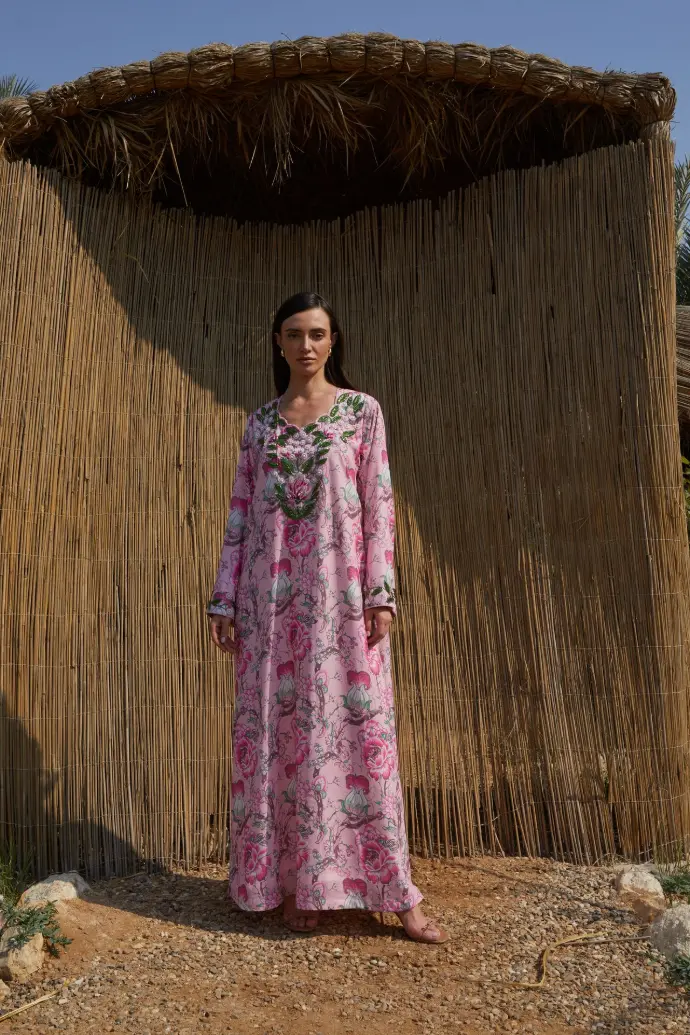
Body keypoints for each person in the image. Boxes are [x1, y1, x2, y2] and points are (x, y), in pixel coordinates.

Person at [206, 292, 448, 944]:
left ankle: (396, 893)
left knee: (360, 735)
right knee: (281, 738)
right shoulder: (260, 425)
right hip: (269, 607)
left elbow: (379, 505)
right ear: (278, 343)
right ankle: (294, 883)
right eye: (294, 333)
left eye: (316, 333)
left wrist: (380, 593)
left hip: (342, 606)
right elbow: (239, 514)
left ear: (333, 340)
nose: (305, 345)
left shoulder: (362, 413)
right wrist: (224, 598)